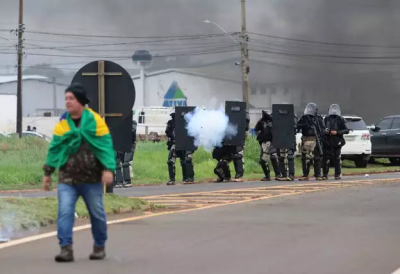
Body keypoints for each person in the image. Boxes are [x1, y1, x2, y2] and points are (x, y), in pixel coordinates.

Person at [42, 83, 115, 263]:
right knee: (65, 212)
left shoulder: (96, 121)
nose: (67, 102)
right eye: (66, 98)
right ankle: (66, 249)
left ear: (80, 101)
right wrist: (47, 173)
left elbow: (105, 147)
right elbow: (55, 149)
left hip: (91, 179)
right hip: (67, 179)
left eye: (71, 98)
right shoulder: (63, 124)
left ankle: (99, 246)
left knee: (96, 212)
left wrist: (108, 169)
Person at [213, 108, 250, 182]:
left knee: (238, 156)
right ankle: (226, 177)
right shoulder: (225, 119)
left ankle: (239, 176)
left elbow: (245, 127)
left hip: (237, 140)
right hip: (227, 143)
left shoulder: (242, 117)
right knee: (221, 163)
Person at [296, 102, 325, 181]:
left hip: (315, 139)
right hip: (305, 139)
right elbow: (297, 126)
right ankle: (305, 174)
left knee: (317, 158)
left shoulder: (318, 118)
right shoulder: (304, 118)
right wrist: (305, 124)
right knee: (305, 158)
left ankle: (318, 174)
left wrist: (319, 134)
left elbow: (323, 130)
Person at [165, 108, 195, 185]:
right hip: (176, 144)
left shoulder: (188, 122)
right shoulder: (171, 123)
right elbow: (168, 134)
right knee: (170, 161)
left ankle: (188, 178)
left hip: (186, 144)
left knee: (187, 160)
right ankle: (172, 179)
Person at [322, 104, 350, 180]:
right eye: (332, 109)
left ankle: (337, 174)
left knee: (337, 158)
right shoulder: (326, 119)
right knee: (326, 158)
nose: (334, 111)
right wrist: (325, 131)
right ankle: (325, 174)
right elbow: (321, 128)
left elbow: (347, 130)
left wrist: (337, 132)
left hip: (337, 140)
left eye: (335, 109)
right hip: (327, 140)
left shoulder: (341, 119)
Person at [254, 110, 281, 181]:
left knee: (273, 157)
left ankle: (278, 174)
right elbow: (256, 128)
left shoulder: (273, 121)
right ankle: (267, 175)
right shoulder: (262, 122)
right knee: (262, 160)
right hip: (264, 143)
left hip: (272, 142)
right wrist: (261, 120)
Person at [276, 103, 298, 181]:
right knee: (281, 157)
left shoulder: (292, 116)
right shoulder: (277, 117)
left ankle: (291, 175)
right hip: (281, 138)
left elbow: (295, 126)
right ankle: (283, 175)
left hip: (290, 137)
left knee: (290, 156)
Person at [114, 119, 137, 188]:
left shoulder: (132, 123)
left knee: (125, 163)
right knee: (117, 164)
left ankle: (127, 181)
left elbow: (132, 133)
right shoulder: (116, 123)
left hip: (129, 146)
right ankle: (119, 181)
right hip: (119, 145)